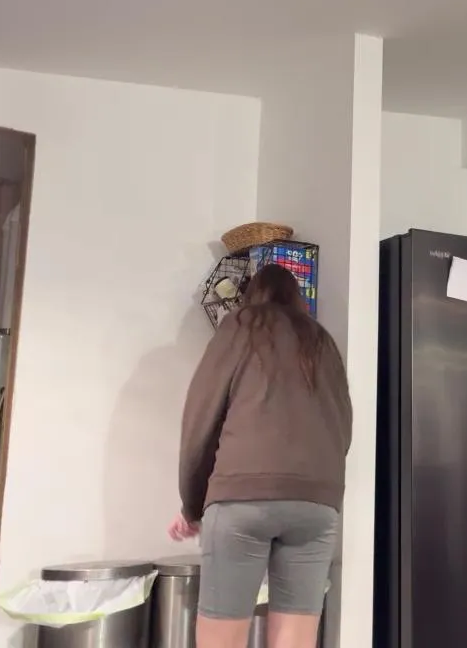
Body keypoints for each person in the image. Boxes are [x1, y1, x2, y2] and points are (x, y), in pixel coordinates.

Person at [169, 264, 352, 648]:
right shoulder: (320, 339)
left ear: (253, 295)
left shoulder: (241, 325)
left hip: (242, 500)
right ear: (297, 299)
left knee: (221, 639)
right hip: (316, 506)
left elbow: (201, 418)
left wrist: (192, 505)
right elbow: (343, 423)